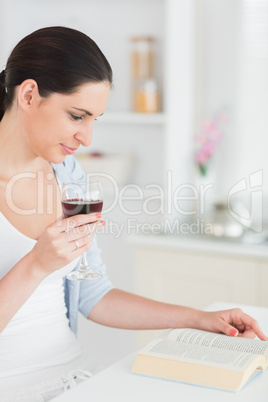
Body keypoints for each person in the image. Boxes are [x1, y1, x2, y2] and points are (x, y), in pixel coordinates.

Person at [0, 26, 267, 402]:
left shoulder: (68, 175)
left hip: (76, 378)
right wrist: (35, 265)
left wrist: (200, 318)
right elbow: (38, 270)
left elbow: (93, 295)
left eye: (95, 119)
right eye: (77, 116)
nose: (87, 138)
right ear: (29, 94)